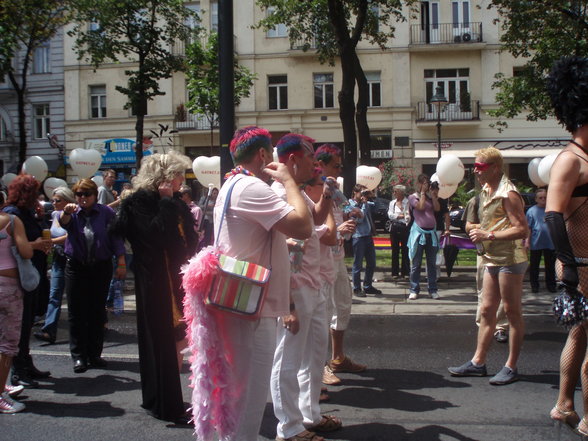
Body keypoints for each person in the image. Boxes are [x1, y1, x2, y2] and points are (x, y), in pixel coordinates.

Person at [206, 126, 312, 440]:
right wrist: (289, 180)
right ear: (264, 155)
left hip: (238, 300)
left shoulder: (230, 185)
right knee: (248, 400)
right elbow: (304, 225)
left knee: (237, 395)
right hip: (252, 307)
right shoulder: (252, 187)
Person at [112, 150, 197, 424]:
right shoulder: (140, 203)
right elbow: (155, 239)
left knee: (178, 339)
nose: (182, 180)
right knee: (160, 341)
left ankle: (167, 398)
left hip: (176, 278)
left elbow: (187, 242)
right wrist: (165, 204)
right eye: (178, 174)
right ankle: (165, 404)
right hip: (155, 279)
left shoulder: (174, 202)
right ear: (164, 176)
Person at [271, 133, 340, 441]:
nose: (316, 161)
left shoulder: (297, 191)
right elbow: (281, 247)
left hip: (314, 282)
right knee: (287, 358)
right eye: (310, 156)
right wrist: (287, 304)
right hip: (294, 286)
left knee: (314, 354)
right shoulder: (275, 192)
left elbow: (314, 219)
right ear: (293, 160)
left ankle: (308, 415)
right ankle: (288, 428)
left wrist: (326, 193)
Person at [448, 146, 528, 385]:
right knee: (486, 310)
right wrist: (475, 230)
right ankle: (478, 362)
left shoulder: (508, 193)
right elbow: (478, 223)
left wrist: (489, 235)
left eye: (481, 167)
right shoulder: (484, 190)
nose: (476, 171)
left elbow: (522, 229)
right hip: (490, 258)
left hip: (510, 259)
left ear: (495, 168)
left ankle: (511, 366)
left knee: (512, 312)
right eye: (475, 166)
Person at [544, 56, 588, 435]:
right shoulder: (569, 160)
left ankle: (564, 404)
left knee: (578, 335)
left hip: (585, 264)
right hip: (583, 265)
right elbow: (553, 215)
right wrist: (569, 268)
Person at [60, 179, 126, 374]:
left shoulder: (105, 212)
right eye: (79, 194)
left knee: (97, 310)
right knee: (77, 312)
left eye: (86, 194)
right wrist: (66, 212)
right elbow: (64, 224)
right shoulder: (72, 212)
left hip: (100, 266)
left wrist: (121, 262)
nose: (82, 198)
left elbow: (116, 237)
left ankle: (94, 354)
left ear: (94, 196)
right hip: (76, 267)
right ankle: (79, 356)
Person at [314, 144, 366, 386]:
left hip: (337, 255)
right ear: (321, 165)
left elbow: (347, 207)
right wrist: (338, 230)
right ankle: (320, 364)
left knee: (343, 304)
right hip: (319, 258)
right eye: (335, 165)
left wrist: (354, 211)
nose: (339, 169)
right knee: (322, 312)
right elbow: (310, 224)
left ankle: (337, 357)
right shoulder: (311, 187)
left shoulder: (333, 187)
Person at [3, 175, 52, 388]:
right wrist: (37, 244)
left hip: (31, 274)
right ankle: (17, 371)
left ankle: (25, 363)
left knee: (26, 322)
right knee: (18, 327)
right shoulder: (14, 215)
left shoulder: (26, 213)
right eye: (34, 192)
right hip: (19, 277)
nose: (38, 196)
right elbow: (19, 248)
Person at [0, 191, 33, 413]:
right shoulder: (10, 221)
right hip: (8, 287)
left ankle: (2, 385)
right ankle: (0, 395)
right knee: (8, 343)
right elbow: (26, 251)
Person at [463, 195, 509, 343]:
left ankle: (500, 327)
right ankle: (483, 324)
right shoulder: (475, 201)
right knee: (483, 289)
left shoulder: (509, 198)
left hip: (506, 251)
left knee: (504, 291)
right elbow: (468, 226)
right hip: (484, 251)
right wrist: (489, 228)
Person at [34, 187, 75, 344]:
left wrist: (51, 241)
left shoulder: (74, 215)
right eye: (53, 200)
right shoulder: (53, 214)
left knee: (76, 296)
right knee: (54, 294)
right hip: (58, 257)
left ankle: (85, 328)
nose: (54, 203)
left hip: (72, 258)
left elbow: (69, 236)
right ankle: (49, 330)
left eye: (57, 200)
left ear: (67, 201)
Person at [407, 174, 440, 300]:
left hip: (431, 233)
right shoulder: (412, 197)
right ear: (419, 184)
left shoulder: (430, 197)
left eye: (428, 184)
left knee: (431, 263)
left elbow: (437, 209)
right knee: (416, 264)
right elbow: (420, 207)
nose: (426, 186)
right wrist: (422, 193)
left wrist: (434, 196)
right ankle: (414, 289)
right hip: (418, 233)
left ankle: (433, 289)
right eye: (424, 184)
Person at [348, 185, 382, 297]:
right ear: (355, 192)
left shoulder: (365, 203)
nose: (362, 196)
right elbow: (360, 219)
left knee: (371, 263)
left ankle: (368, 286)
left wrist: (373, 197)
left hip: (368, 236)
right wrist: (363, 204)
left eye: (364, 193)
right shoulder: (350, 205)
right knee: (358, 264)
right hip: (358, 236)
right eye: (361, 193)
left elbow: (377, 208)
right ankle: (357, 288)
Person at [525, 188, 556, 293]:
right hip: (536, 242)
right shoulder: (531, 211)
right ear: (536, 199)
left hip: (550, 242)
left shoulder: (552, 210)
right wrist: (527, 241)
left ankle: (551, 285)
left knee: (550, 266)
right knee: (534, 266)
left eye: (545, 197)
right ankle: (534, 285)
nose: (543, 199)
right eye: (540, 197)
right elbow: (528, 227)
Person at [387, 184, 410, 280]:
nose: (394, 193)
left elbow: (408, 214)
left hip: (405, 227)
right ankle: (395, 272)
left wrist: (401, 215)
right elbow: (390, 214)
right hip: (395, 227)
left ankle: (405, 272)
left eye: (395, 191)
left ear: (401, 192)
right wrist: (400, 216)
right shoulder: (392, 203)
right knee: (395, 250)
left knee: (405, 250)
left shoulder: (407, 202)